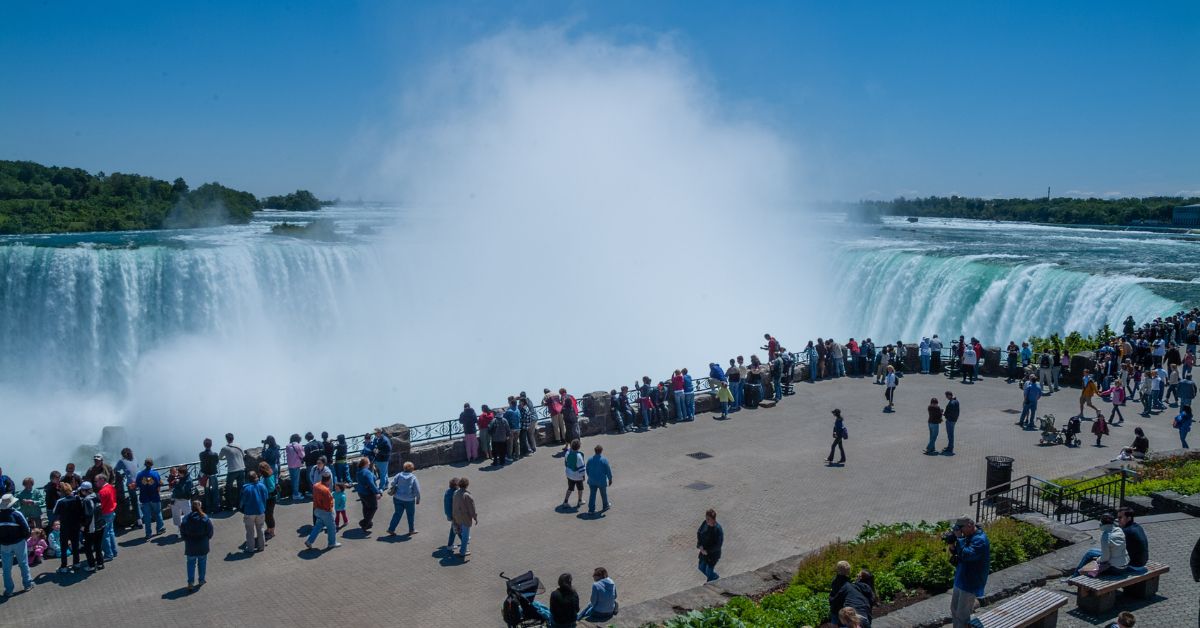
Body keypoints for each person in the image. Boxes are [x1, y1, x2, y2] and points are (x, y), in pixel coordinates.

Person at [950, 516, 990, 628]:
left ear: (970, 525)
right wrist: (952, 545)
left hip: (970, 581)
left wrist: (959, 539)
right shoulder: (968, 535)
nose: (959, 531)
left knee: (962, 614)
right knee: (954, 609)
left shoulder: (980, 540)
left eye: (960, 528)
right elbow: (960, 554)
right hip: (961, 578)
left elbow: (968, 555)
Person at [0, 493, 34, 596]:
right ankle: (27, 584)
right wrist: (24, 538)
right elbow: (26, 529)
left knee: (6, 568)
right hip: (19, 542)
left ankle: (9, 590)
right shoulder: (17, 514)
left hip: (4, 544)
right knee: (23, 563)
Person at [179, 500, 213, 592]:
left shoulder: (186, 519)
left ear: (191, 508)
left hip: (190, 546)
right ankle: (201, 580)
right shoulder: (205, 518)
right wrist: (206, 539)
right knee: (202, 563)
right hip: (202, 545)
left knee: (190, 564)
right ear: (200, 507)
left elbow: (182, 532)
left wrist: (186, 539)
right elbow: (210, 532)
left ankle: (190, 583)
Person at [304, 470, 340, 550]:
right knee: (331, 527)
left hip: (317, 510)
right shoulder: (326, 490)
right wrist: (331, 510)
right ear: (329, 480)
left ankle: (309, 541)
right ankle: (332, 543)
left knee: (318, 526)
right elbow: (328, 504)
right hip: (325, 512)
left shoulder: (316, 485)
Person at [53, 483, 83, 574]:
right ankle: (77, 563)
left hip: (65, 527)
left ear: (61, 491)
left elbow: (54, 512)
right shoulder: (77, 498)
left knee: (63, 547)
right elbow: (81, 510)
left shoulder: (61, 501)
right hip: (75, 525)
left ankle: (64, 566)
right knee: (75, 545)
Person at [387, 462, 421, 536]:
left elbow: (392, 483)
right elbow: (417, 490)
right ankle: (411, 530)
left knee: (397, 514)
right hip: (409, 500)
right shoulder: (413, 477)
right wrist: (418, 499)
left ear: (404, 468)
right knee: (410, 515)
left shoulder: (399, 475)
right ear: (412, 469)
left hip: (397, 498)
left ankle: (391, 529)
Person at [77, 482, 105, 572]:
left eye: (81, 490)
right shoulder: (97, 495)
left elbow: (88, 515)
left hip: (91, 528)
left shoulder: (86, 500)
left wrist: (83, 526)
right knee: (98, 546)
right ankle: (100, 564)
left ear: (84, 491)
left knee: (88, 548)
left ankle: (92, 565)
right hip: (101, 525)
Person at [135, 458, 165, 538]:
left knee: (147, 516)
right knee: (158, 513)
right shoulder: (155, 474)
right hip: (155, 497)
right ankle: (160, 529)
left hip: (144, 498)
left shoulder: (140, 474)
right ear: (152, 464)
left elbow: (136, 485)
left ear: (144, 464)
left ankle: (148, 534)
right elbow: (160, 483)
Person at [239, 470, 268, 554]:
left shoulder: (245, 488)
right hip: (260, 511)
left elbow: (242, 501)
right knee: (261, 529)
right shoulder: (262, 486)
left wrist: (240, 508)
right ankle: (261, 546)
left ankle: (250, 548)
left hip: (249, 512)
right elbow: (266, 497)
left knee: (250, 531)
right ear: (257, 477)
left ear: (248, 479)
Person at [219, 433, 246, 512]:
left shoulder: (225, 448)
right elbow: (243, 456)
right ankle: (240, 505)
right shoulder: (239, 446)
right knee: (241, 488)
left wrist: (226, 458)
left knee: (228, 489)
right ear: (233, 438)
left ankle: (229, 506)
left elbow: (220, 457)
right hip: (241, 469)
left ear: (226, 439)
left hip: (232, 471)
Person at [451, 477, 477, 559]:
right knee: (465, 536)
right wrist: (475, 517)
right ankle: (463, 552)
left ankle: (463, 549)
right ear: (467, 485)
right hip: (465, 518)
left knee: (462, 532)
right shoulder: (467, 495)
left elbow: (454, 505)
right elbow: (472, 508)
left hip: (457, 516)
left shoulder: (455, 492)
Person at [113, 448, 139, 526]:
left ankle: (138, 520)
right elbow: (136, 468)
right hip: (138, 482)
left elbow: (115, 470)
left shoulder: (122, 461)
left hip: (131, 484)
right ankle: (140, 519)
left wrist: (121, 475)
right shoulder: (135, 459)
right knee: (137, 501)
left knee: (134, 502)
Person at [94, 475, 117, 561]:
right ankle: (114, 551)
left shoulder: (102, 492)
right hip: (112, 511)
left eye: (96, 481)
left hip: (105, 513)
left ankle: (108, 554)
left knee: (104, 535)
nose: (95, 483)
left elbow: (100, 505)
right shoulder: (111, 487)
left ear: (102, 480)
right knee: (111, 532)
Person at [697, 508, 724, 582]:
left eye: (708, 519)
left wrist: (707, 551)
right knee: (701, 568)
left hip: (712, 555)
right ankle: (715, 577)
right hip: (703, 552)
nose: (706, 520)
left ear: (713, 519)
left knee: (709, 572)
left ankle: (711, 582)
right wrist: (700, 545)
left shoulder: (718, 529)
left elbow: (718, 545)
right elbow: (699, 532)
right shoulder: (705, 523)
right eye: (706, 518)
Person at [1118, 508, 1148, 572]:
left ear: (1129, 518)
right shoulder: (1138, 527)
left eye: (1120, 518)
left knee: (1093, 552)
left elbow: (1116, 550)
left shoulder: (1126, 531)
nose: (1118, 520)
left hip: (1133, 565)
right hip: (1142, 562)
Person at [585, 445, 613, 515]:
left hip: (592, 481)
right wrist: (610, 479)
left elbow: (587, 470)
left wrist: (590, 476)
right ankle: (605, 505)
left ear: (595, 451)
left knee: (592, 495)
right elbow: (608, 471)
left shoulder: (589, 459)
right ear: (601, 451)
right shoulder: (604, 460)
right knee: (603, 494)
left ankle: (591, 510)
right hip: (601, 481)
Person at [356, 458, 381, 531]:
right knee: (374, 507)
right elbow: (371, 483)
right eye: (368, 463)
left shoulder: (359, 471)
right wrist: (377, 492)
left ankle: (368, 523)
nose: (370, 464)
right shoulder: (367, 472)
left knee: (366, 507)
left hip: (361, 492)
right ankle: (365, 523)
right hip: (368, 493)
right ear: (365, 464)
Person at [198, 439, 220, 514]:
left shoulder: (201, 454)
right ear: (211, 445)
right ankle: (216, 509)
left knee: (207, 492)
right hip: (213, 475)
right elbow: (217, 462)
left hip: (205, 476)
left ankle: (208, 509)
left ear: (204, 445)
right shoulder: (215, 454)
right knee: (215, 492)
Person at [562, 440, 586, 508]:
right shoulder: (579, 456)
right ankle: (580, 501)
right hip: (577, 476)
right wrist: (583, 476)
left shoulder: (567, 453)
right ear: (579, 447)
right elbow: (582, 468)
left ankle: (565, 501)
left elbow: (566, 463)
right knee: (580, 488)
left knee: (570, 488)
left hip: (569, 474)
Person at [169, 465, 194, 529]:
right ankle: (180, 530)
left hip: (184, 500)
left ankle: (190, 530)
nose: (177, 474)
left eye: (179, 473)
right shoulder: (181, 478)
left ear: (182, 473)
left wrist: (177, 484)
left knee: (188, 516)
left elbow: (182, 490)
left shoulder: (188, 480)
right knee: (176, 516)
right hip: (176, 499)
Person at [828, 561, 852, 625]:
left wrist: (830, 598)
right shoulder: (847, 582)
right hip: (844, 608)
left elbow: (834, 593)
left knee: (835, 623)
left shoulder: (835, 580)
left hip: (835, 607)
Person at [258, 461, 277, 539]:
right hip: (267, 499)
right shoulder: (266, 475)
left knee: (269, 515)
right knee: (266, 515)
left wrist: (264, 490)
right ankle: (269, 529)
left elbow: (271, 488)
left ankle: (272, 532)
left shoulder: (268, 477)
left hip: (270, 499)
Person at [285, 434, 305, 501]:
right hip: (296, 465)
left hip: (290, 465)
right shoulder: (299, 446)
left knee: (293, 479)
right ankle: (295, 495)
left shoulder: (288, 446)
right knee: (296, 480)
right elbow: (302, 455)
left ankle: (294, 492)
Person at [442, 478, 460, 550]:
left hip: (449, 514)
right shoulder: (455, 493)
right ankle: (451, 544)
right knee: (456, 529)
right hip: (454, 515)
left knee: (454, 528)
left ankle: (451, 544)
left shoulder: (448, 491)